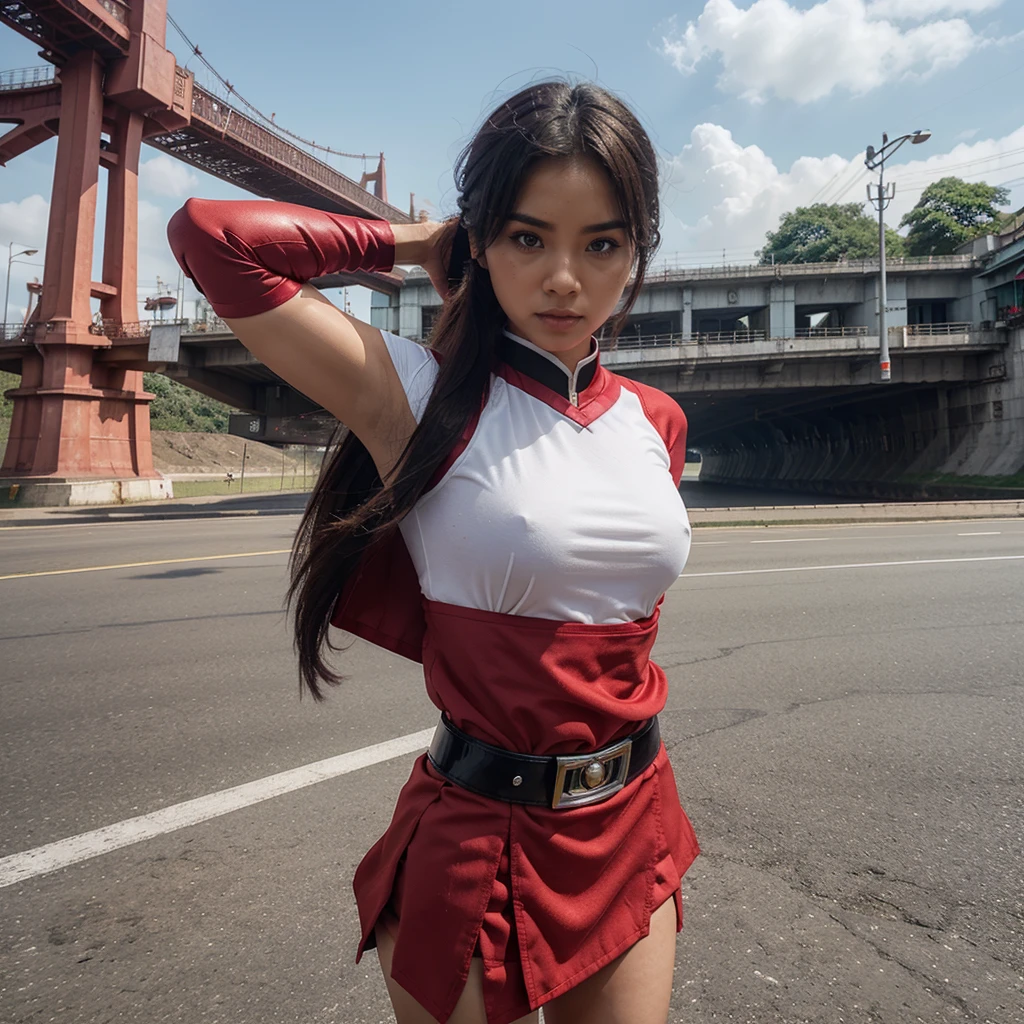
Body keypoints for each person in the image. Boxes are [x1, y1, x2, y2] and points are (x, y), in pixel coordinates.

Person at [167, 78, 700, 1024]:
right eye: (527, 237)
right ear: (483, 242)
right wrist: (413, 244)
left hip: (628, 815)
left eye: (602, 244)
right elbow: (213, 236)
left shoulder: (656, 423)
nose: (565, 279)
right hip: (480, 830)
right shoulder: (415, 394)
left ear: (637, 254)